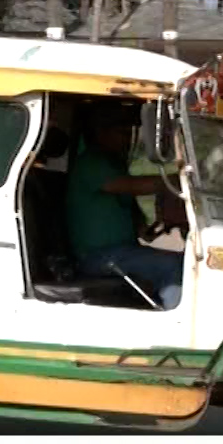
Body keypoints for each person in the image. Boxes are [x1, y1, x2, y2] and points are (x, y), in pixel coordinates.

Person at [65, 103, 187, 309]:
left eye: (130, 132)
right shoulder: (92, 163)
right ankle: (176, 319)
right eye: (121, 132)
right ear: (101, 132)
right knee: (174, 266)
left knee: (186, 262)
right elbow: (132, 186)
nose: (127, 138)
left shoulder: (114, 165)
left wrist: (149, 226)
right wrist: (177, 180)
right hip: (98, 256)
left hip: (121, 251)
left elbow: (137, 221)